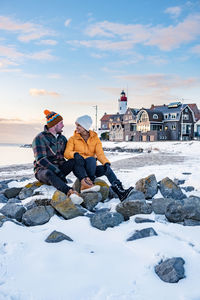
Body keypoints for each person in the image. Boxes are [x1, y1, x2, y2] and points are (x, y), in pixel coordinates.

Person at [64, 115, 134, 201]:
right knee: (91, 159)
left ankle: (120, 191)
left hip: (92, 167)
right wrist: (75, 154)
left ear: (85, 126)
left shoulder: (95, 139)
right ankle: (88, 183)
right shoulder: (72, 139)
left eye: (79, 125)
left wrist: (106, 163)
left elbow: (100, 154)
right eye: (76, 125)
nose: (76, 128)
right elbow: (67, 153)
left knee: (106, 169)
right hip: (80, 169)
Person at [32, 109, 82, 203]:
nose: (63, 125)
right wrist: (57, 172)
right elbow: (41, 160)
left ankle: (84, 181)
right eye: (61, 123)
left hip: (60, 170)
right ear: (54, 125)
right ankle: (69, 192)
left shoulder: (62, 139)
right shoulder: (39, 138)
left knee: (74, 160)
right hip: (43, 171)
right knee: (48, 173)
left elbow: (68, 153)